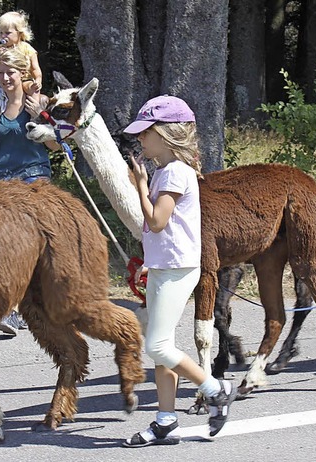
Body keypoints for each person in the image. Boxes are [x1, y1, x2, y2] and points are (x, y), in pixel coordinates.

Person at [121, 95, 238, 447]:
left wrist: (139, 186)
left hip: (177, 268)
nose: (140, 139)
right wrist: (148, 264)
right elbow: (160, 232)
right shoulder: (167, 171)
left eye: (146, 133)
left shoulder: (173, 172)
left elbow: (157, 221)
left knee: (157, 345)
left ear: (167, 134)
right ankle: (166, 420)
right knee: (162, 346)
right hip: (165, 266)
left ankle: (216, 389)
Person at [0, 47, 59, 335]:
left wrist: (41, 116)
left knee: (30, 248)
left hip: (32, 179)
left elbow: (55, 145)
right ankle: (9, 310)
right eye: (0, 73)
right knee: (0, 247)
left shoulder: (37, 102)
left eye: (10, 72)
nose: (4, 78)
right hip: (0, 180)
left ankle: (34, 306)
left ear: (22, 74)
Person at [0, 10, 43, 144]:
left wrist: (37, 80)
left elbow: (36, 68)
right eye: (1, 33)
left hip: (24, 80)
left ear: (19, 33)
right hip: (2, 83)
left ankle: (34, 118)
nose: (3, 36)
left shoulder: (27, 48)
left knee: (33, 89)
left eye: (7, 33)